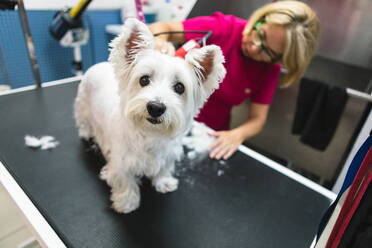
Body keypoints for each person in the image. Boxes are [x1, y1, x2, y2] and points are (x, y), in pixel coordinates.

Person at [149, 1, 319, 160]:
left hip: (206, 136)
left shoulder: (269, 70)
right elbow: (163, 28)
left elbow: (257, 119)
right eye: (260, 34)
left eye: (267, 52)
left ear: (280, 59)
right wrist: (159, 41)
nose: (254, 47)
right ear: (260, 19)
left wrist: (237, 135)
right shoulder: (223, 28)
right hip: (164, 121)